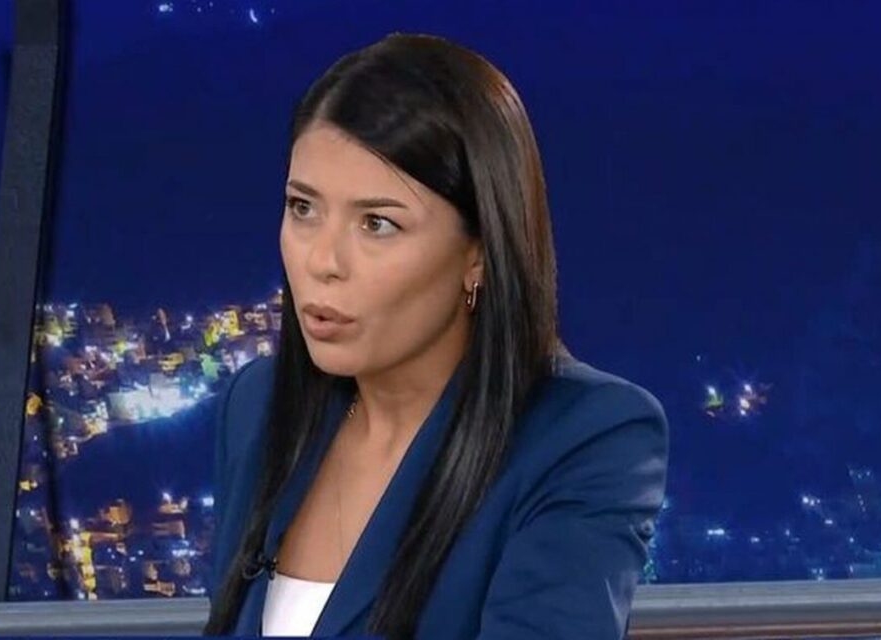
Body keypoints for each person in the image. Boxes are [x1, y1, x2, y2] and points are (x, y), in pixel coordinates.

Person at [204, 31, 669, 639]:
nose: (322, 260)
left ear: (479, 252)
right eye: (303, 208)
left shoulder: (582, 436)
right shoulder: (259, 407)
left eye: (377, 223)